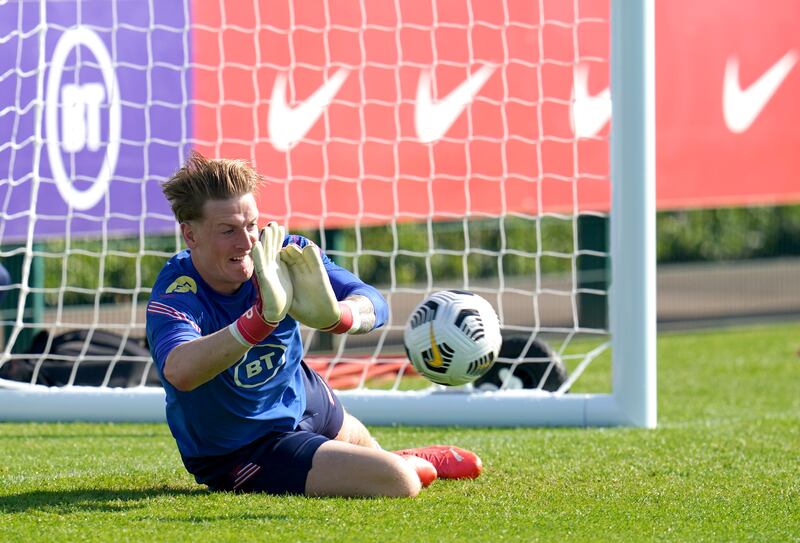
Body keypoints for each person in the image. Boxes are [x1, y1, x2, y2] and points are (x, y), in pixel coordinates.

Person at [146, 152, 482, 497]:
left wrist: (338, 316)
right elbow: (179, 371)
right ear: (191, 236)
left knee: (373, 456)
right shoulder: (179, 290)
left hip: (304, 396)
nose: (247, 242)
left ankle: (389, 457)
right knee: (399, 480)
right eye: (228, 230)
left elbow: (373, 301)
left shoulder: (284, 253)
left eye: (251, 225)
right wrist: (260, 321)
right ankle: (402, 463)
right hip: (244, 448)